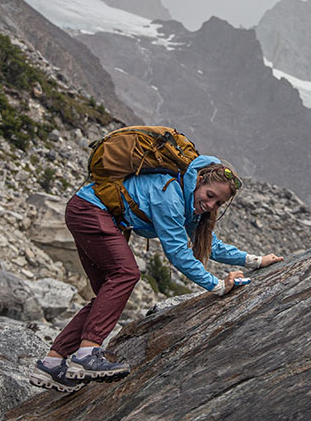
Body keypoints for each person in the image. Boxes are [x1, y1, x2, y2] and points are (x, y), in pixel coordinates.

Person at [30, 154, 283, 392]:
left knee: (107, 295)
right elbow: (178, 254)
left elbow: (210, 245)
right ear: (199, 180)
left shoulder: (188, 201)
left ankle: (52, 364)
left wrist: (255, 260)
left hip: (86, 210)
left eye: (218, 203)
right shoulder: (170, 194)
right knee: (126, 274)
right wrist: (217, 286)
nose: (210, 205)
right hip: (90, 210)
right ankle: (87, 355)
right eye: (209, 196)